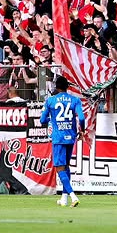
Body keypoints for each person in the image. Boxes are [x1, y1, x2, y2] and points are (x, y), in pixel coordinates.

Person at [40, 75, 85, 207]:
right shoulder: (75, 100)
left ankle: (73, 196)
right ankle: (64, 199)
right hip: (70, 136)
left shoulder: (50, 101)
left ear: (56, 87)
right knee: (66, 167)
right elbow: (81, 118)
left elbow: (42, 120)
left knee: (60, 167)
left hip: (58, 137)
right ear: (67, 87)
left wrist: (51, 120)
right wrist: (82, 130)